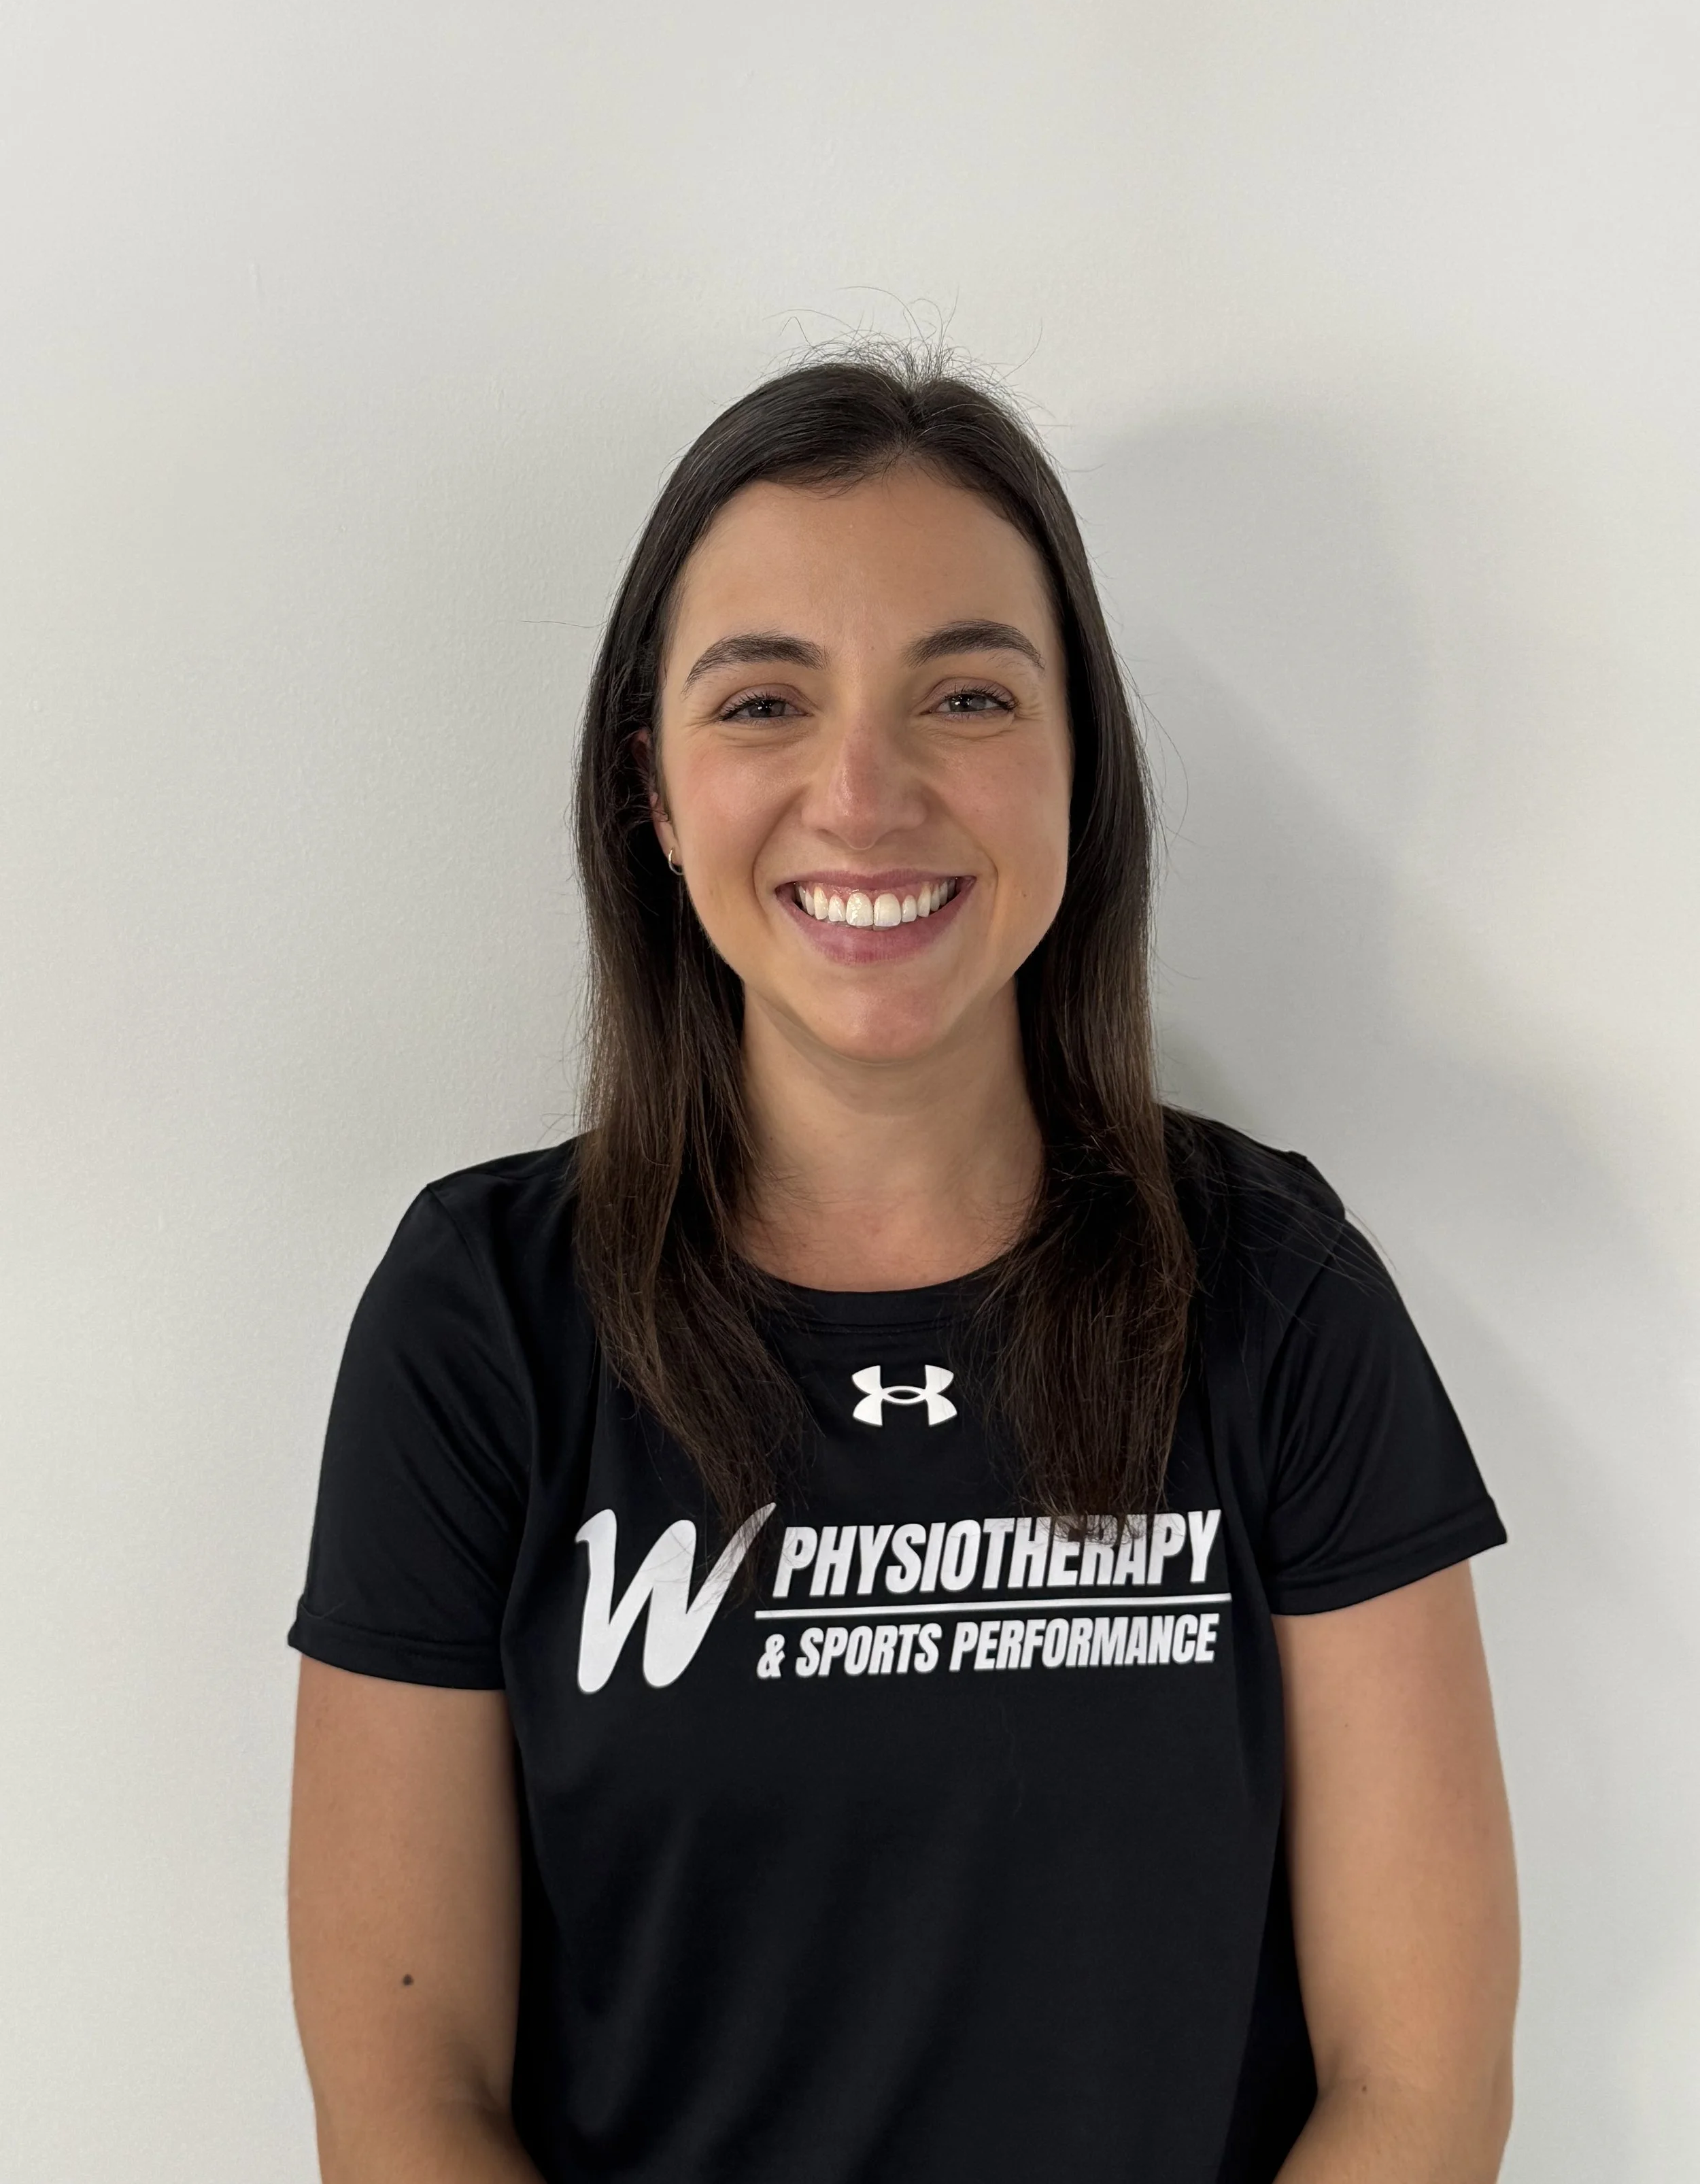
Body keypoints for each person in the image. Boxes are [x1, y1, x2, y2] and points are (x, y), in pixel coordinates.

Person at [287, 349, 1518, 2184]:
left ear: (1075, 764)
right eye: (763, 699)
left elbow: (1419, 2083)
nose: (861, 795)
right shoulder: (483, 1319)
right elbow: (410, 2103)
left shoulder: (1272, 1290)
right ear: (652, 788)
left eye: (962, 693)